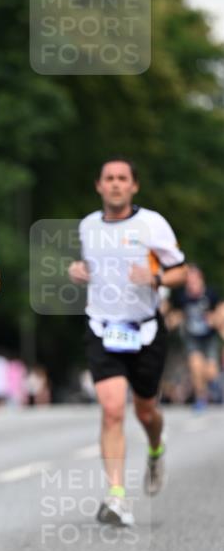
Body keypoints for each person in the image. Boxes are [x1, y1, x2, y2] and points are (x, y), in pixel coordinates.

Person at [69, 158, 186, 526]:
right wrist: (76, 271)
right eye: (109, 178)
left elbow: (180, 271)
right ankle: (116, 496)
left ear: (134, 186)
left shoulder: (152, 223)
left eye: (123, 178)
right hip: (103, 327)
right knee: (113, 409)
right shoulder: (88, 226)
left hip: (145, 330)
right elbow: (87, 266)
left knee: (146, 411)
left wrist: (156, 277)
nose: (116, 184)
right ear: (99, 185)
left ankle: (156, 448)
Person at [166, 265, 222, 410]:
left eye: (194, 280)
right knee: (195, 365)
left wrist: (215, 318)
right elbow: (174, 312)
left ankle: (212, 388)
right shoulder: (182, 296)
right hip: (192, 337)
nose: (191, 283)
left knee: (211, 372)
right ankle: (200, 397)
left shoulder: (210, 293)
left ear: (200, 279)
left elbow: (220, 309)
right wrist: (173, 320)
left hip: (209, 338)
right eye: (188, 281)